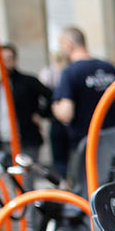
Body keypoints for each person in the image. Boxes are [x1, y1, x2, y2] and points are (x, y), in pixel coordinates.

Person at [52, 26, 115, 179]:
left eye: (61, 45)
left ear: (69, 44)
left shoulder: (71, 72)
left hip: (86, 145)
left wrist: (55, 107)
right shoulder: (109, 67)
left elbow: (66, 113)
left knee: (87, 190)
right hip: (114, 141)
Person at [0, 43, 51, 160]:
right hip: (5, 140)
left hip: (26, 140)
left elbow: (50, 95)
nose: (5, 63)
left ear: (14, 60)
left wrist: (40, 114)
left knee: (26, 176)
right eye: (2, 60)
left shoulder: (28, 81)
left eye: (8, 59)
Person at [39, 50, 72, 178]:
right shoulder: (64, 72)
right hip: (63, 120)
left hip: (60, 118)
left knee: (61, 158)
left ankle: (65, 182)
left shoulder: (54, 73)